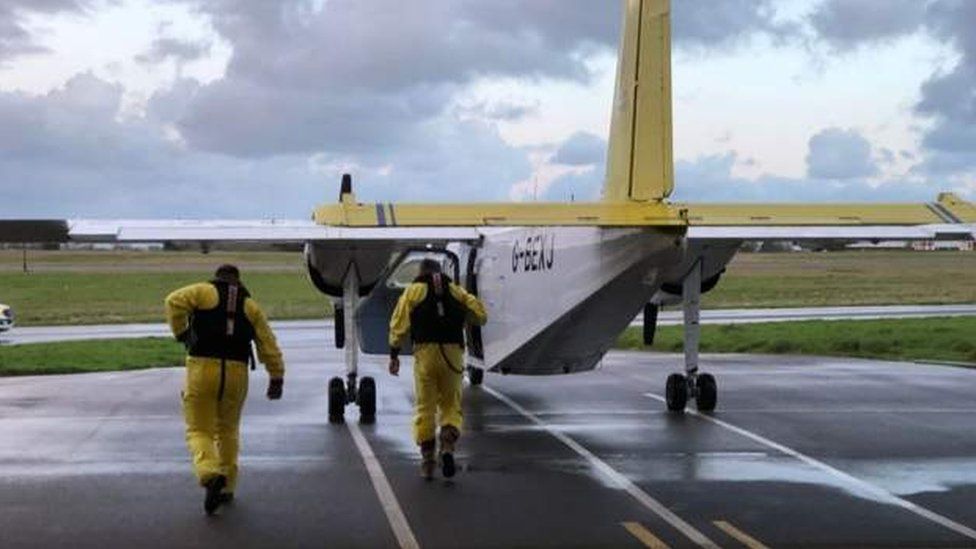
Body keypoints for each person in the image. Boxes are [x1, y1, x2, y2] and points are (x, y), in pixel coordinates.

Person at [165, 264, 285, 515]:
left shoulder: (202, 292)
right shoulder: (250, 306)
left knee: (199, 429)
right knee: (228, 431)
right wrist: (276, 376)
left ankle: (209, 473)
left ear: (217, 277)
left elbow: (173, 301)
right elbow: (267, 343)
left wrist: (182, 333)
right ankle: (228, 486)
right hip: (236, 372)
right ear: (238, 281)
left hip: (201, 369)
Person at [388, 258, 487, 480]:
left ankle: (427, 460)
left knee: (425, 408)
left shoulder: (413, 292)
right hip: (453, 354)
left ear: (421, 272)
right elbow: (481, 315)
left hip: (425, 354)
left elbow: (398, 324)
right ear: (440, 272)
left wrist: (394, 354)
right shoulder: (456, 290)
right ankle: (448, 446)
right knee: (451, 405)